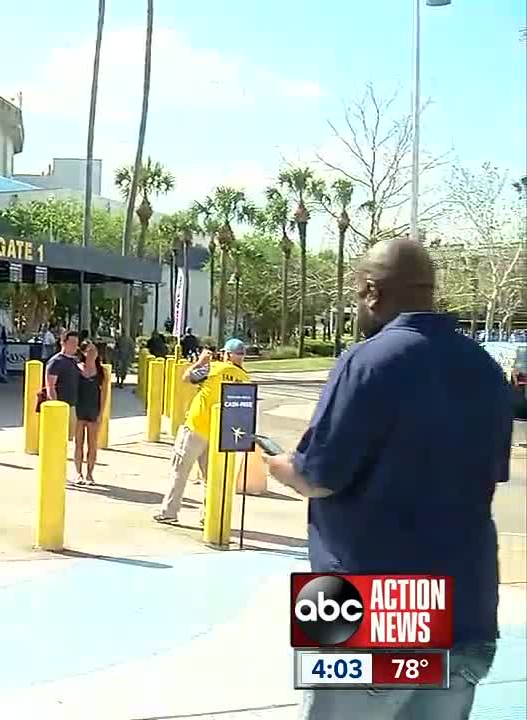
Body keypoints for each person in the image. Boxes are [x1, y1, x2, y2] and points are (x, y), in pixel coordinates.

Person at [263, 239, 509, 719]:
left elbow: (318, 477)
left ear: (372, 292)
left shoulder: (368, 360)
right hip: (469, 607)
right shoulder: (485, 370)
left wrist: (281, 465)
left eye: (358, 294)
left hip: (373, 607)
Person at [152, 339, 250, 525]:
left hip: (197, 427)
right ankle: (208, 516)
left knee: (180, 471)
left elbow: (186, 377)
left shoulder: (212, 368)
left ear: (227, 354)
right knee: (210, 478)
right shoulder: (245, 378)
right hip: (220, 433)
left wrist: (201, 361)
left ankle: (169, 512)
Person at [72, 341, 106, 485]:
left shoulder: (101, 371)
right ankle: (78, 473)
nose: (92, 354)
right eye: (89, 351)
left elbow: (104, 395)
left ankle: (90, 474)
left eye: (95, 351)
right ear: (84, 353)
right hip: (79, 410)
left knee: (92, 445)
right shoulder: (77, 369)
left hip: (93, 410)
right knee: (78, 443)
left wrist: (101, 414)